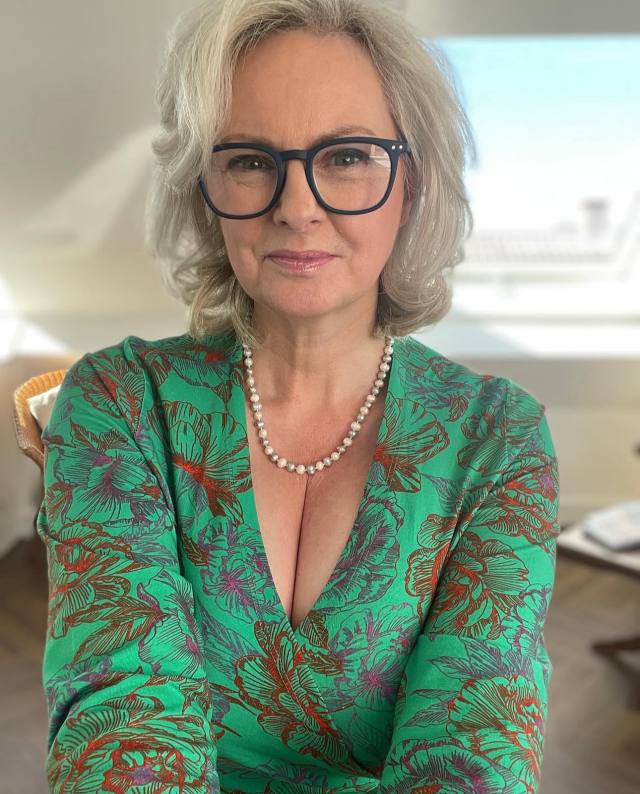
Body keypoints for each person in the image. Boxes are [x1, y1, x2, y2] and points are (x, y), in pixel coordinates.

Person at [36, 0, 560, 791]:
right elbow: (125, 722)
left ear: (412, 182)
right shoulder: (122, 404)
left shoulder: (499, 438)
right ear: (205, 187)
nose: (296, 206)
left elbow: (474, 746)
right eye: (250, 160)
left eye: (346, 155)